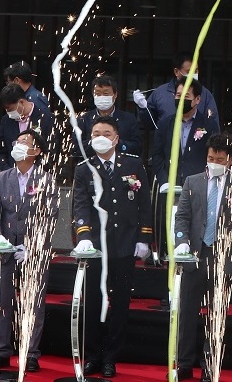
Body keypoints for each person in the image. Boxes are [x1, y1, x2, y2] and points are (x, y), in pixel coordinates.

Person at [71, 119, 152, 378]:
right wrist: (83, 235)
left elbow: (144, 203)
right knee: (93, 303)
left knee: (120, 304)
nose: (101, 137)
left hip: (124, 244)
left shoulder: (133, 164)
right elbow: (80, 205)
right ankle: (93, 355)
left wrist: (144, 237)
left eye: (106, 133)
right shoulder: (84, 168)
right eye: (96, 133)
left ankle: (110, 357)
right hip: (95, 245)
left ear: (116, 138)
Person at [173, 133, 232, 381]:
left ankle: (209, 366)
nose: (214, 163)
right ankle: (183, 363)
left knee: (217, 314)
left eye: (219, 159)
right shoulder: (192, 182)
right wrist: (181, 242)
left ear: (229, 160)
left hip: (224, 256)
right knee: (187, 312)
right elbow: (182, 216)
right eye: (211, 158)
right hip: (196, 254)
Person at [0, 129, 57, 373]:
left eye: (25, 142)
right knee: (3, 301)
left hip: (33, 250)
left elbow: (49, 217)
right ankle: (1, 350)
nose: (18, 144)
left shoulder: (46, 179)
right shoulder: (2, 177)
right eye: (17, 141)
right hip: (5, 248)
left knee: (33, 303)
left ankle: (30, 352)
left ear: (36, 150)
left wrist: (32, 245)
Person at [150, 79, 219, 188]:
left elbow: (215, 156)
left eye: (186, 96)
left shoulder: (209, 125)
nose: (181, 100)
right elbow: (157, 155)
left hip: (199, 186)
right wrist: (164, 181)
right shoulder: (165, 124)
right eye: (178, 95)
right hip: (170, 185)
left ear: (197, 99)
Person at [133, 51, 219, 132]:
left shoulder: (205, 94)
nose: (193, 74)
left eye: (195, 71)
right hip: (167, 141)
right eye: (189, 71)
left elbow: (213, 124)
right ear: (177, 72)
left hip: (196, 141)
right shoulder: (160, 93)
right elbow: (149, 124)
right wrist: (143, 108)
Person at [0, 84, 54, 173]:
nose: (8, 112)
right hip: (11, 173)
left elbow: (51, 150)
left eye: (10, 109)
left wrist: (35, 172)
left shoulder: (46, 117)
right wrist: (8, 172)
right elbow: (1, 150)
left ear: (21, 102)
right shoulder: (6, 120)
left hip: (37, 174)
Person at [78, 75, 141, 159]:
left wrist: (115, 143)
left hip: (121, 164)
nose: (102, 97)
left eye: (106, 94)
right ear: (93, 95)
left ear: (115, 95)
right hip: (92, 164)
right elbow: (76, 148)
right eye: (98, 94)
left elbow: (137, 148)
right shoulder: (84, 119)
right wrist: (96, 143)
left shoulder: (129, 119)